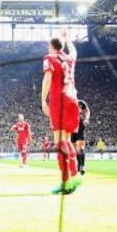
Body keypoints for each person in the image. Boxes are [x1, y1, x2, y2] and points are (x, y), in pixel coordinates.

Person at [41, 30, 81, 194]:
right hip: (73, 100)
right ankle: (75, 176)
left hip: (60, 100)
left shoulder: (49, 58)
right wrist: (68, 39)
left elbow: (48, 78)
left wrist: (43, 100)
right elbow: (74, 51)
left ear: (51, 46)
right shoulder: (69, 59)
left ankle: (65, 182)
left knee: (59, 142)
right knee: (67, 141)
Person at [71, 100, 90, 175]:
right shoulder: (69, 103)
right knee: (75, 149)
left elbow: (87, 111)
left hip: (80, 126)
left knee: (80, 147)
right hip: (71, 127)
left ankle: (82, 166)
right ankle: (79, 164)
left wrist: (86, 119)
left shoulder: (81, 102)